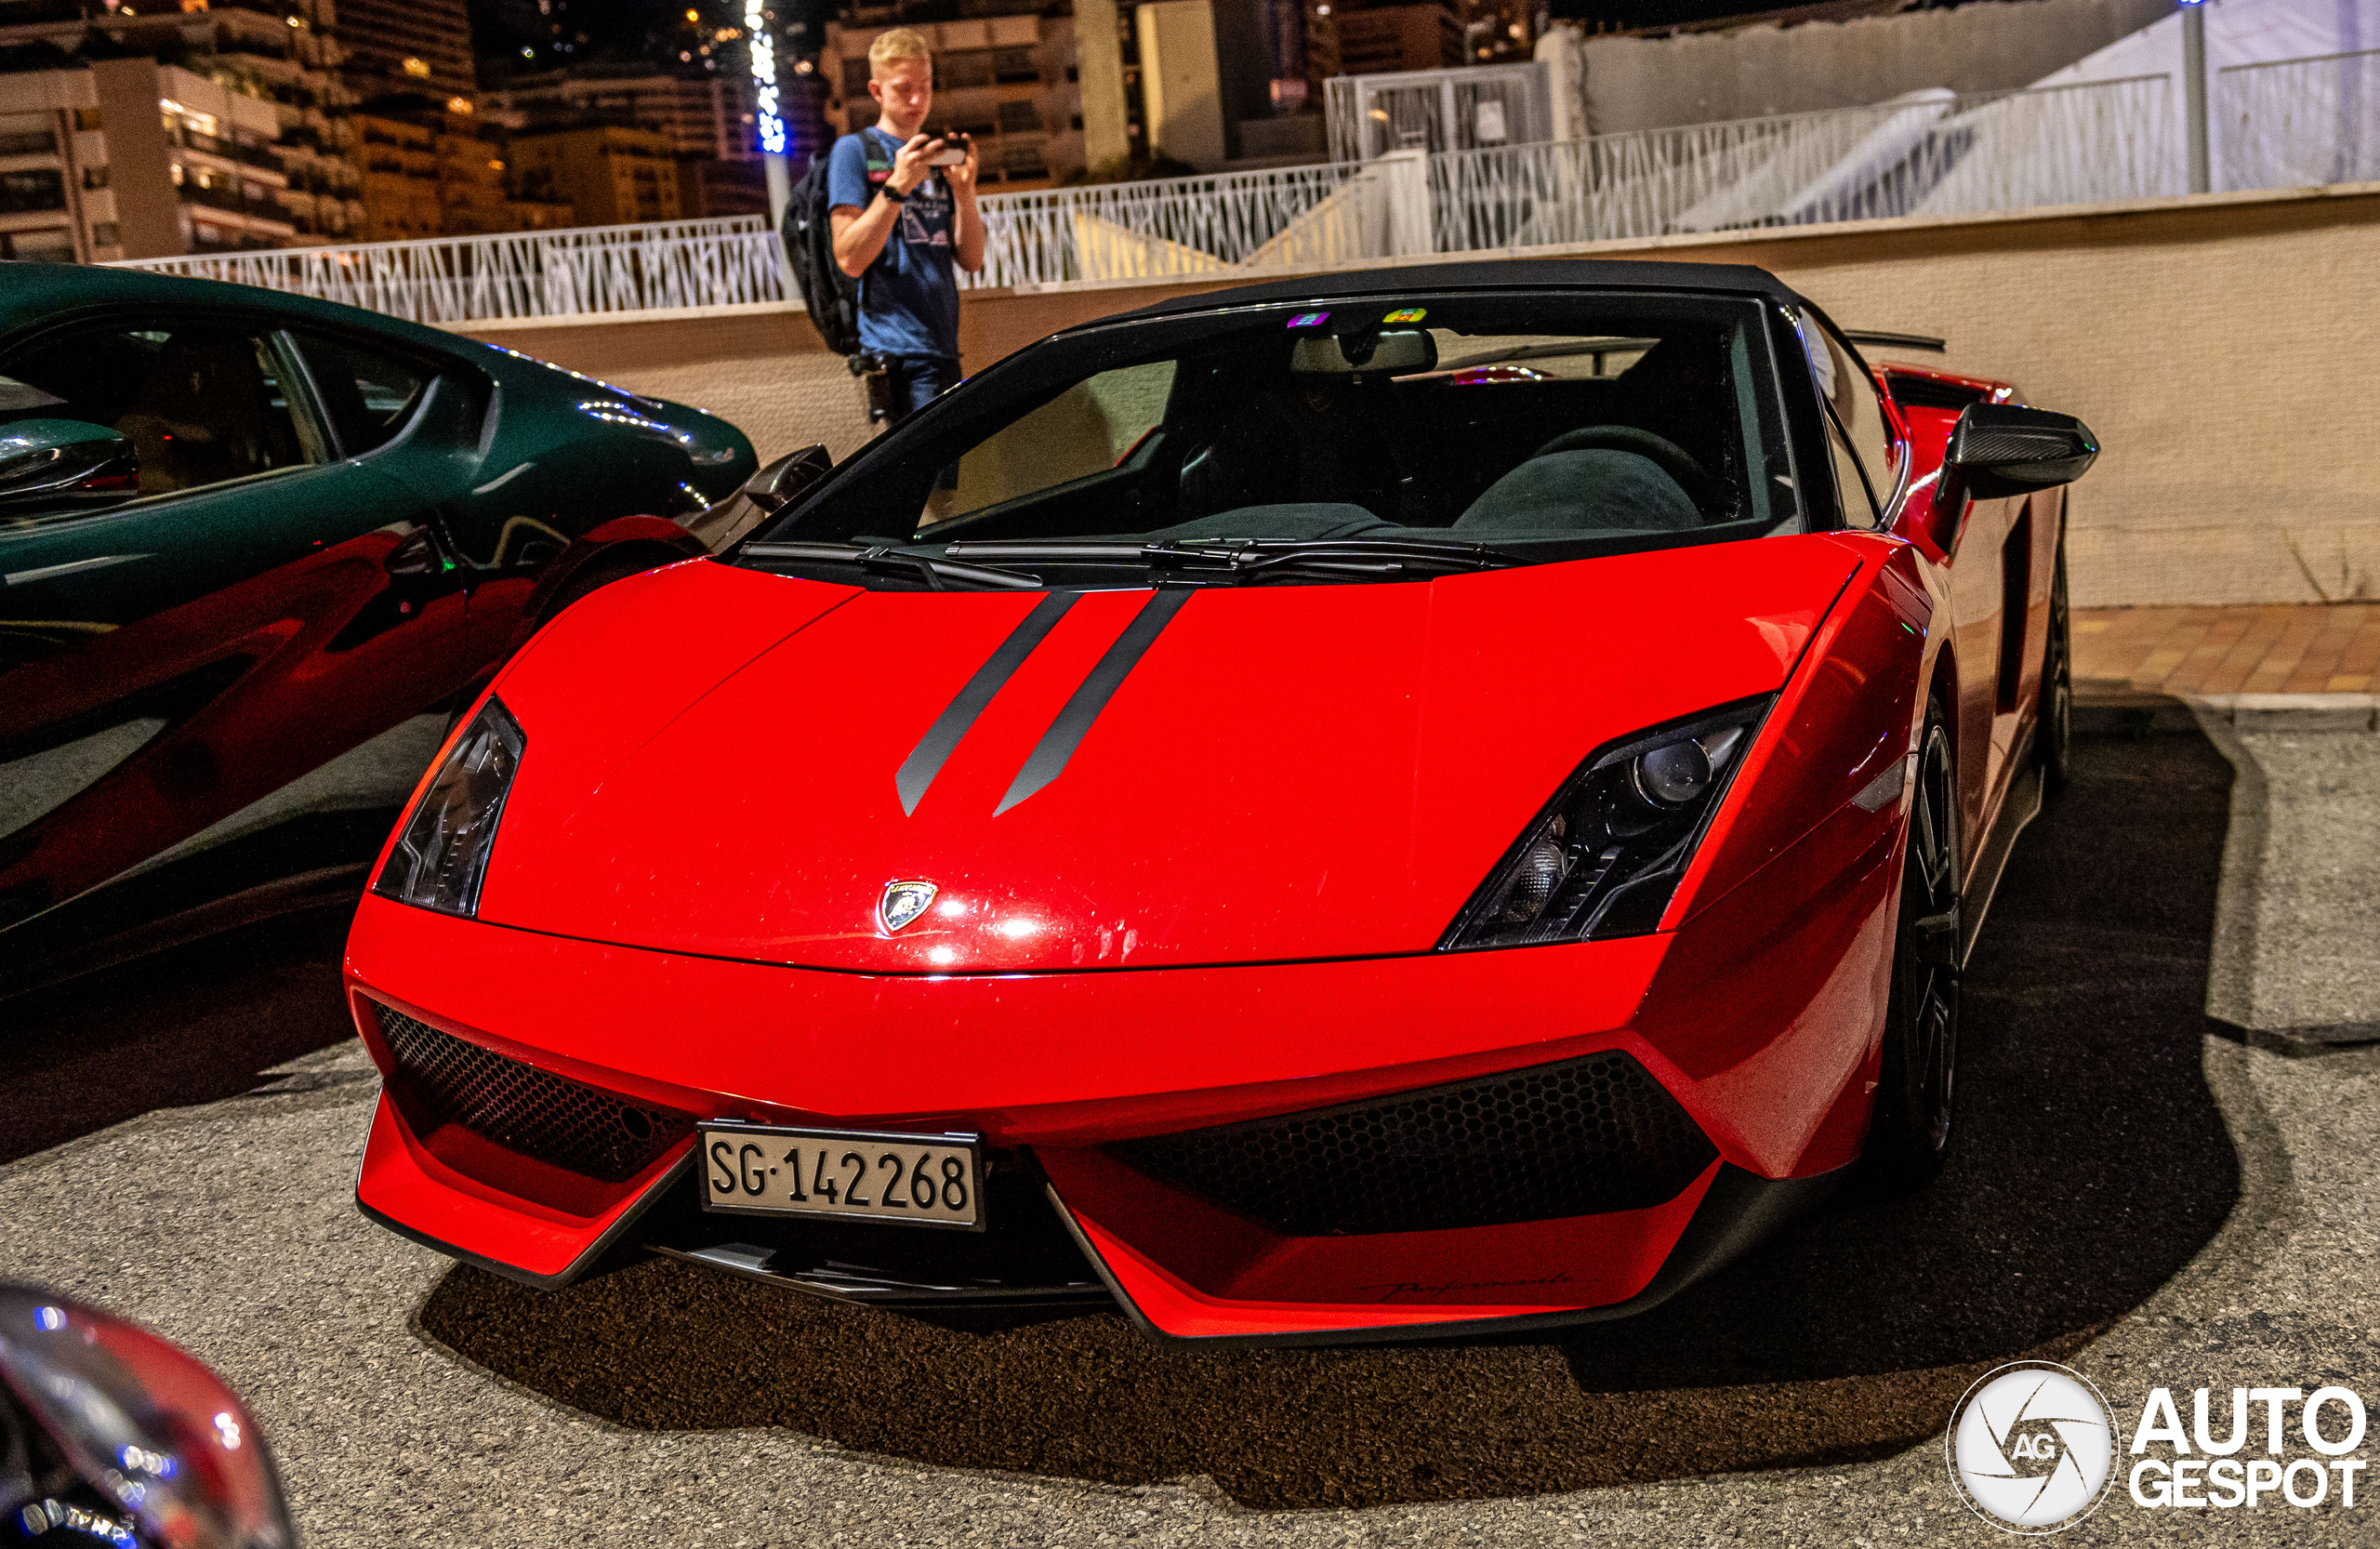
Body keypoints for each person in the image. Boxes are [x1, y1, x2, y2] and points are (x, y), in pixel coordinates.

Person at [827, 28, 985, 427]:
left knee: (948, 482)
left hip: (943, 347)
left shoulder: (932, 156)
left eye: (926, 86)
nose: (917, 100)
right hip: (896, 355)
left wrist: (964, 193)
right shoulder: (854, 151)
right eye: (902, 89)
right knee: (921, 484)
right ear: (876, 91)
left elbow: (971, 259)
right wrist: (897, 186)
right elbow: (849, 257)